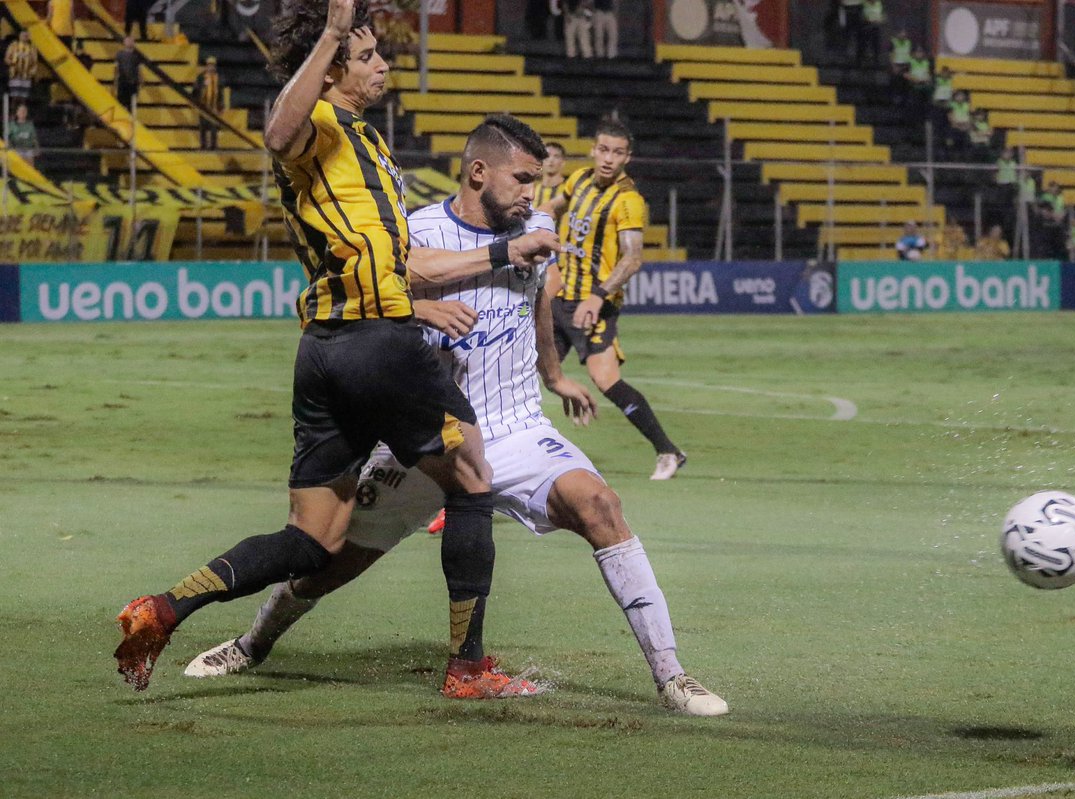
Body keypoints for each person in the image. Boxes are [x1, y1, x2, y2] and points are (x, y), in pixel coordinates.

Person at [183, 115, 728, 716]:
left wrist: (554, 376)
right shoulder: (416, 229)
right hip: (428, 434)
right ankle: (251, 644)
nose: (532, 193)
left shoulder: (537, 225)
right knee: (328, 565)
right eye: (522, 179)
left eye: (537, 180)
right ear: (477, 172)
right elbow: (376, 294)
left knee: (601, 507)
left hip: (517, 427)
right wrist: (419, 309)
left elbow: (541, 300)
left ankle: (672, 676)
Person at [112, 0, 558, 698]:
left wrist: (492, 256)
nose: (384, 64)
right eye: (369, 55)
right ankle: (468, 667)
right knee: (474, 476)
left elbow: (407, 260)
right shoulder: (317, 122)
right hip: (374, 344)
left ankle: (165, 609)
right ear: (332, 70)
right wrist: (328, 33)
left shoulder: (369, 145)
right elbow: (278, 130)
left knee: (313, 538)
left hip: (326, 351)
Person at [540, 118, 687, 481]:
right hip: (560, 299)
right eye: (603, 149)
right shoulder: (578, 180)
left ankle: (668, 451)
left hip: (594, 306)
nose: (608, 158)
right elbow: (551, 208)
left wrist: (598, 296)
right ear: (593, 149)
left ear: (627, 158)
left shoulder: (628, 201)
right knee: (537, 373)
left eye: (617, 152)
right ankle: (531, 457)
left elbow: (633, 257)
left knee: (606, 380)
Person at [192, 56, 222, 150]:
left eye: (213, 65)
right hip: (203, 106)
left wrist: (221, 106)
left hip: (213, 107)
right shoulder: (201, 77)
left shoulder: (217, 78)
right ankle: (203, 145)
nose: (211, 67)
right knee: (203, 127)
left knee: (213, 127)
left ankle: (213, 145)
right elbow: (195, 90)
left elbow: (220, 93)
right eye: (209, 65)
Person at [5, 31, 38, 104]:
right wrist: (11, 63)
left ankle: (22, 114)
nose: (24, 37)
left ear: (29, 37)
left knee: (24, 98)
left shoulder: (32, 48)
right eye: (23, 35)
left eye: (26, 35)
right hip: (15, 75)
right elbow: (7, 58)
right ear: (19, 36)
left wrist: (32, 72)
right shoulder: (13, 46)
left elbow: (35, 63)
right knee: (14, 97)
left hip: (26, 76)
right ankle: (13, 114)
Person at [532, 140, 565, 208]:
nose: (551, 160)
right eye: (547, 155)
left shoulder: (567, 192)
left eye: (556, 156)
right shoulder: (533, 192)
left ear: (563, 163)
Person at [113, 36, 142, 111]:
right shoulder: (119, 54)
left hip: (133, 83)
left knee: (132, 105)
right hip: (122, 83)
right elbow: (116, 69)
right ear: (124, 43)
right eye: (128, 41)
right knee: (121, 104)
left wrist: (140, 80)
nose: (129, 42)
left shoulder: (136, 56)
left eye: (131, 41)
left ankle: (132, 120)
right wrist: (115, 81)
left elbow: (139, 69)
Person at [861, 0, 885, 66]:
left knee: (876, 44)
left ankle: (876, 60)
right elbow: (862, 16)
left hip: (876, 27)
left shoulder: (879, 3)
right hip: (866, 27)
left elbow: (883, 15)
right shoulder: (864, 4)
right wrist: (868, 20)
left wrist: (880, 20)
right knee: (865, 44)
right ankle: (864, 59)